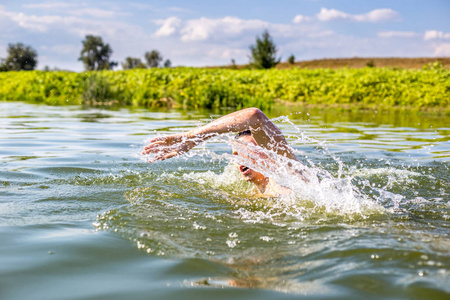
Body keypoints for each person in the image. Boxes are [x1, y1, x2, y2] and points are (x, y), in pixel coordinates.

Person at [142, 108, 308, 196]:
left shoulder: (284, 168)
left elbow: (254, 116)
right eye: (236, 154)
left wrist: (191, 138)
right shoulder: (255, 194)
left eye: (246, 150)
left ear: (266, 149)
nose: (239, 159)